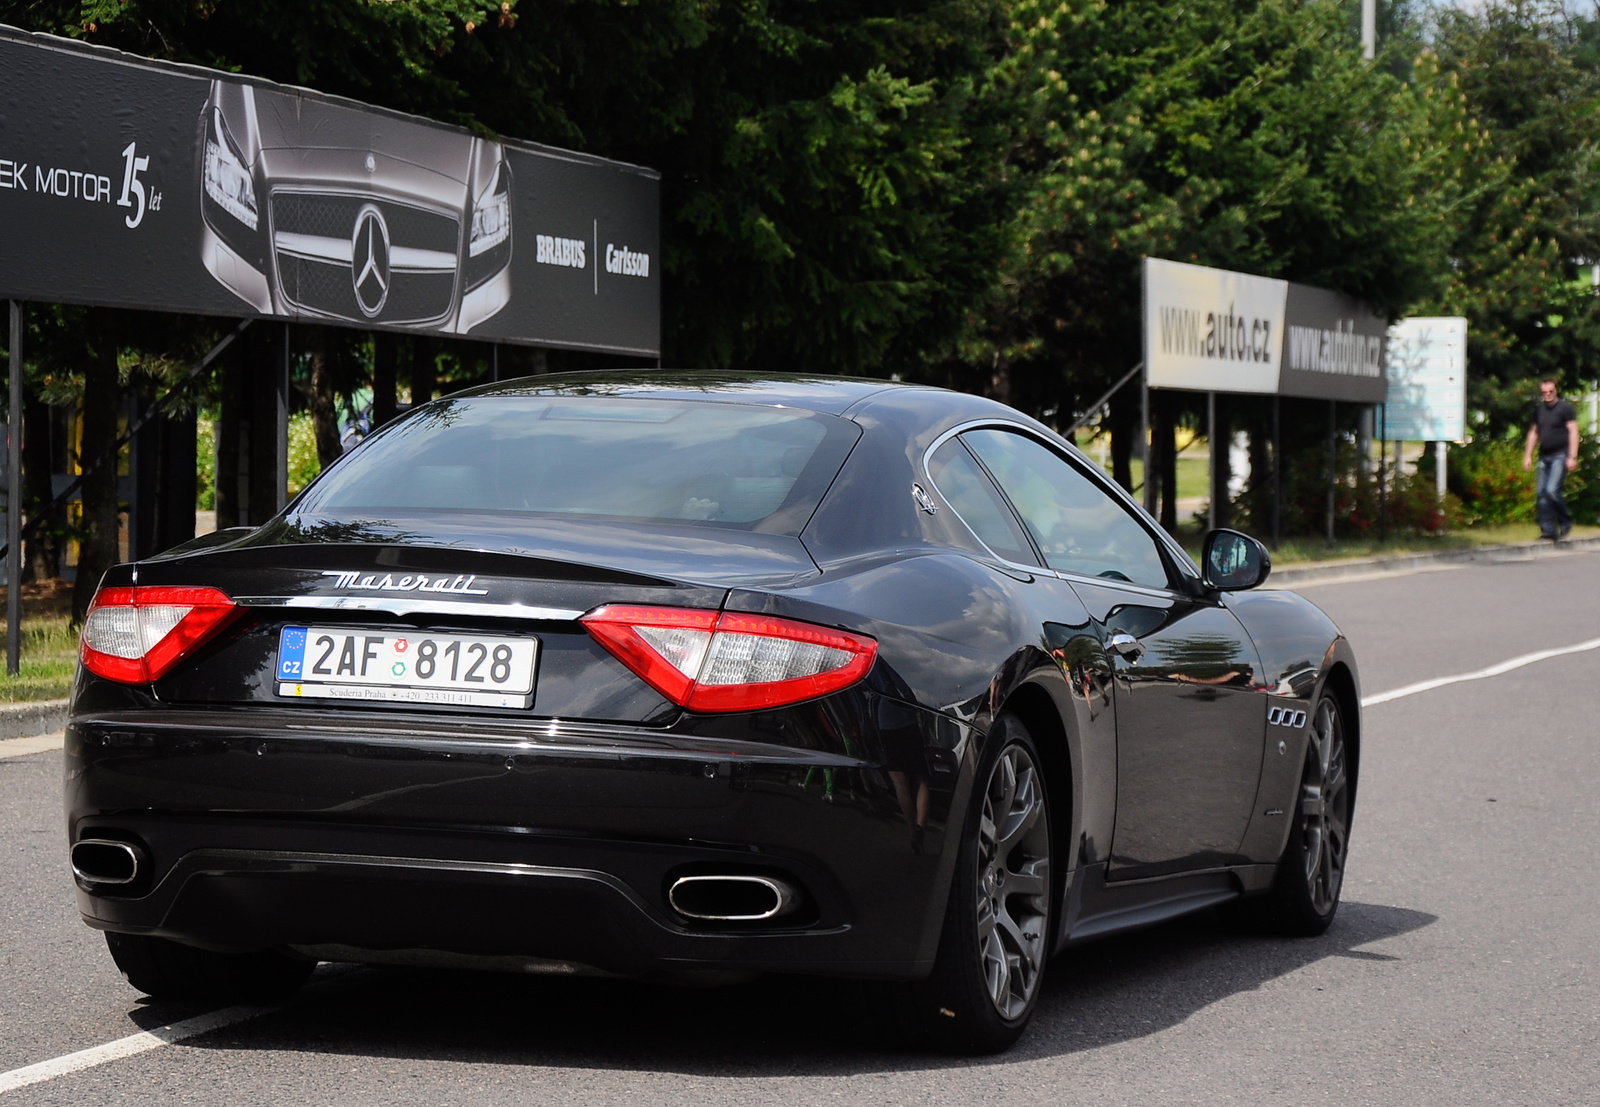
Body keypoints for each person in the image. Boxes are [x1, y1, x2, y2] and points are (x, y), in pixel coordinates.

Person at [1523, 378, 1580, 540]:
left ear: (1556, 391)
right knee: (1541, 494)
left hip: (1560, 455)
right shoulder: (1539, 410)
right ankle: (1548, 530)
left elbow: (1573, 432)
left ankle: (1565, 522)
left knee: (1552, 490)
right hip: (1544, 456)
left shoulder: (1565, 409)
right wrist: (1527, 455)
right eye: (1544, 392)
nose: (1547, 395)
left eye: (1550, 392)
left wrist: (1572, 456)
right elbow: (1534, 433)